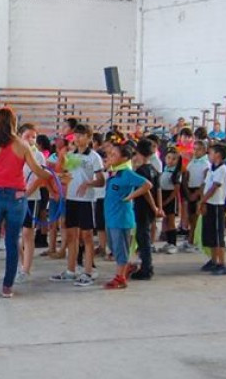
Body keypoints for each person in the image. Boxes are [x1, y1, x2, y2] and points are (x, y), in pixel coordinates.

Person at [0, 108, 51, 298]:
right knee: (12, 242)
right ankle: (7, 287)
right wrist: (56, 177)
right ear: (13, 124)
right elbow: (38, 170)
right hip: (17, 197)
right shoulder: (22, 146)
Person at [50, 124, 104, 287]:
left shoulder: (94, 157)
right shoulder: (71, 155)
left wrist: (88, 184)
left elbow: (101, 180)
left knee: (86, 236)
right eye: (76, 135)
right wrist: (61, 178)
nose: (77, 138)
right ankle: (71, 270)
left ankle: (88, 271)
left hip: (86, 200)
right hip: (71, 199)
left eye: (81, 135)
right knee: (71, 235)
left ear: (89, 138)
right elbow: (68, 175)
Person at [101, 141, 154, 289]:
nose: (109, 157)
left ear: (124, 158)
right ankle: (127, 267)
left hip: (121, 218)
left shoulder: (127, 173)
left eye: (113, 154)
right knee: (113, 246)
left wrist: (131, 197)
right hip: (111, 217)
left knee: (120, 248)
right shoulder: (114, 173)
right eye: (109, 154)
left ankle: (120, 278)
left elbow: (147, 185)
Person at [129, 138, 163, 280]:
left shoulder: (141, 171)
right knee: (144, 235)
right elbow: (159, 189)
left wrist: (154, 206)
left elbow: (146, 191)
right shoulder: (154, 170)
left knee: (143, 237)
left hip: (143, 206)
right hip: (150, 208)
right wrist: (159, 207)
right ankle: (146, 266)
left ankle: (146, 268)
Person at [197, 143, 226, 275]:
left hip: (216, 205)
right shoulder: (212, 168)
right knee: (210, 235)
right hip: (209, 204)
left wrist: (202, 200)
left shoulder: (222, 169)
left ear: (217, 155)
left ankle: (221, 263)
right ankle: (213, 260)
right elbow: (206, 185)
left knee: (218, 236)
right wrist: (203, 201)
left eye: (210, 153)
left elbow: (214, 188)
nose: (208, 155)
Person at [18, 124, 47, 281]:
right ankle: (21, 263)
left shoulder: (39, 156)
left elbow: (39, 178)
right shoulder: (15, 152)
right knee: (13, 235)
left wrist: (25, 194)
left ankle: (26, 269)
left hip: (31, 199)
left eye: (34, 137)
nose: (31, 139)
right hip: (14, 198)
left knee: (27, 233)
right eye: (27, 136)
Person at [182, 140, 210, 251]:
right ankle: (191, 239)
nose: (195, 151)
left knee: (197, 218)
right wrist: (188, 192)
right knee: (191, 217)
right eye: (194, 149)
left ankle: (196, 241)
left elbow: (205, 181)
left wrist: (197, 193)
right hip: (190, 190)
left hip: (199, 192)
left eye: (198, 149)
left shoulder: (206, 163)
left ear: (204, 150)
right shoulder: (192, 162)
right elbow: (187, 176)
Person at [158, 148, 184, 254]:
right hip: (162, 195)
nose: (170, 161)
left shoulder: (176, 173)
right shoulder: (165, 169)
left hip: (171, 197)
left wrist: (168, 200)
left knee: (171, 221)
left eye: (174, 159)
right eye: (168, 158)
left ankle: (173, 244)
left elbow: (176, 189)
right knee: (165, 220)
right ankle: (168, 242)